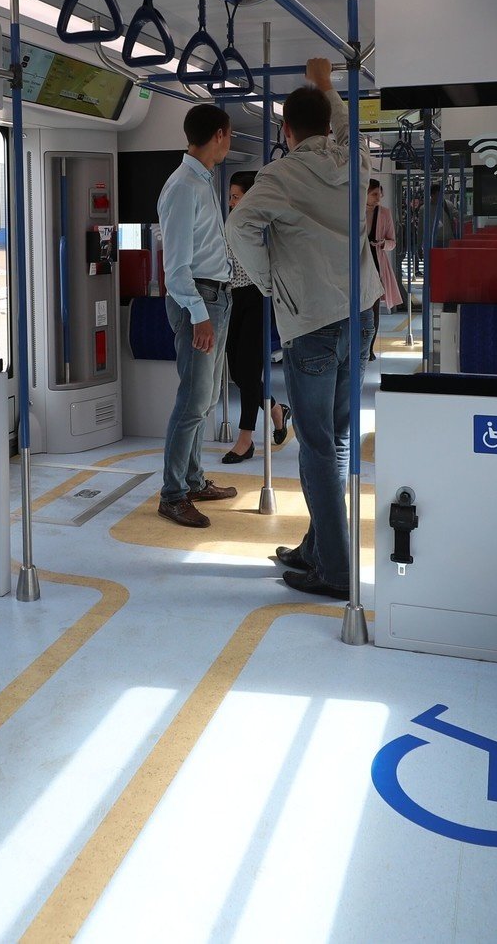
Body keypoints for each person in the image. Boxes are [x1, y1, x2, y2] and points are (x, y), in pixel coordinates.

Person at [227, 57, 378, 599]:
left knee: (316, 447)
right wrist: (328, 85)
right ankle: (317, 548)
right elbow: (347, 124)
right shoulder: (355, 158)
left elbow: (239, 226)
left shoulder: (280, 176)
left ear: (286, 130)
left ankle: (335, 569)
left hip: (312, 320)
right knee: (335, 440)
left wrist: (268, 279)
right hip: (361, 315)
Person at [156, 102, 241, 527]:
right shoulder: (183, 186)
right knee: (192, 401)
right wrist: (198, 314)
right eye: (230, 134)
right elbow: (175, 268)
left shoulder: (202, 180)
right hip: (199, 300)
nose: (230, 142)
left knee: (205, 400)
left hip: (215, 297)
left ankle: (192, 480)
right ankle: (172, 495)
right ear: (219, 135)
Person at [222, 171, 289, 463]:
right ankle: (276, 409)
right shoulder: (230, 222)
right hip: (233, 297)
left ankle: (245, 439)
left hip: (259, 297)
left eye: (236, 197)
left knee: (249, 372)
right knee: (237, 372)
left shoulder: (265, 225)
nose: (231, 202)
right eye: (231, 197)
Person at [365, 181, 404, 360]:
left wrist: (382, 244)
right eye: (374, 194)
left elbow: (392, 242)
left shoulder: (385, 213)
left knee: (373, 310)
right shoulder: (352, 210)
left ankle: (369, 348)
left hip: (376, 263)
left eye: (379, 195)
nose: (377, 199)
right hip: (357, 264)